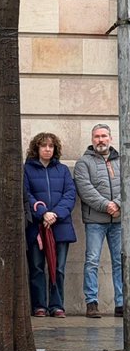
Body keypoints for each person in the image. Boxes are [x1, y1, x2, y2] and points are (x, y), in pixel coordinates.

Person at [24, 130, 77, 317]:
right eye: (43, 146)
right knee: (37, 267)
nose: (47, 149)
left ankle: (57, 305)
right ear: (36, 148)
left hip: (60, 226)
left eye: (51, 146)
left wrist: (55, 214)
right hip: (36, 227)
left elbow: (70, 195)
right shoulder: (27, 170)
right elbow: (26, 195)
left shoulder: (62, 170)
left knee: (58, 268)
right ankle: (39, 305)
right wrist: (42, 213)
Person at [74, 123, 122, 318]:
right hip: (95, 220)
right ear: (92, 139)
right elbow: (85, 190)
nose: (100, 140)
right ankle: (91, 303)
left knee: (120, 261)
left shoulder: (122, 161)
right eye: (97, 136)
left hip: (118, 221)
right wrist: (106, 205)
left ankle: (121, 303)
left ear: (110, 138)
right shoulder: (83, 163)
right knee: (92, 261)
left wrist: (118, 204)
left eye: (104, 136)